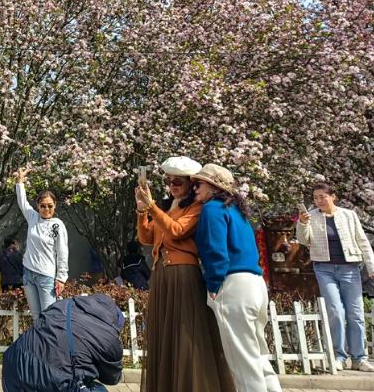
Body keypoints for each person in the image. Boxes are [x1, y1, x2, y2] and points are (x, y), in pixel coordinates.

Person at [135, 156, 234, 392]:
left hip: (183, 273)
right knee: (165, 336)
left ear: (191, 183)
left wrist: (152, 207)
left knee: (185, 334)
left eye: (178, 181)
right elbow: (146, 238)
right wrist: (141, 211)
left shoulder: (197, 207)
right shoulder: (166, 207)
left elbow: (177, 230)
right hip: (161, 273)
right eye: (169, 181)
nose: (172, 186)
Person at [193, 163, 282, 392]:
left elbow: (215, 251)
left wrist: (213, 284)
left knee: (242, 361)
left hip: (233, 285)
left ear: (213, 186)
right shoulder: (236, 210)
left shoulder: (212, 209)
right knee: (257, 354)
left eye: (199, 183)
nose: (195, 188)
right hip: (256, 284)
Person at [296, 182, 374, 372]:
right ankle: (339, 355)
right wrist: (303, 223)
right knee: (335, 311)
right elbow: (303, 240)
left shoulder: (349, 215)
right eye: (315, 198)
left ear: (333, 196)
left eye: (322, 196)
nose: (319, 201)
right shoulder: (311, 216)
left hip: (350, 268)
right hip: (324, 268)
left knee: (355, 313)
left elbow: (362, 241)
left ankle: (359, 358)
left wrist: (371, 266)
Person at [2, 293, 124, 392]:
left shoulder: (63, 305)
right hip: (52, 382)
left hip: (12, 372)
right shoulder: (109, 336)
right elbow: (112, 378)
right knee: (98, 389)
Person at [15, 167, 69, 322]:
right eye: (43, 206)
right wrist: (20, 181)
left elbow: (62, 252)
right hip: (28, 273)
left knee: (49, 317)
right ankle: (38, 339)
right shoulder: (33, 217)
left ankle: (51, 340)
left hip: (46, 276)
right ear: (38, 206)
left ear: (55, 205)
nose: (46, 209)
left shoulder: (57, 225)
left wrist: (61, 278)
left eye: (50, 206)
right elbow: (22, 202)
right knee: (36, 317)